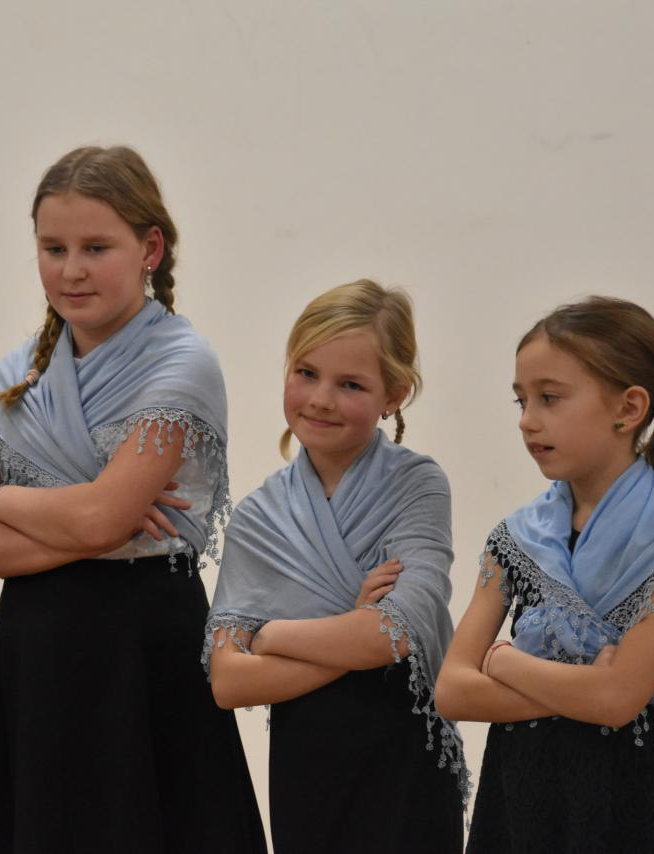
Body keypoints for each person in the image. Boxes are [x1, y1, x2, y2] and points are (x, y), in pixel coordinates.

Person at [0, 145, 265, 853]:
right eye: (53, 248)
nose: (71, 270)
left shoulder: (183, 361)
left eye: (95, 247)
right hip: (37, 644)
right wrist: (94, 519)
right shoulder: (14, 375)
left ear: (150, 248)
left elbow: (98, 519)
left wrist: (7, 503)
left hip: (143, 642)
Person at [434, 296, 654, 853]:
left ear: (629, 407)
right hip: (517, 804)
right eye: (522, 399)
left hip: (623, 812)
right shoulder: (516, 538)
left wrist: (504, 663)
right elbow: (452, 690)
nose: (527, 419)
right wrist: (583, 687)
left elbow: (617, 701)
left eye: (549, 397)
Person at [205, 280, 466, 853]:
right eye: (306, 373)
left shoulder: (418, 485)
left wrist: (272, 636)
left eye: (350, 384)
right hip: (309, 766)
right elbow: (228, 681)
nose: (320, 399)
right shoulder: (257, 518)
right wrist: (354, 621)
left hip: (406, 759)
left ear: (393, 394)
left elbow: (396, 634)